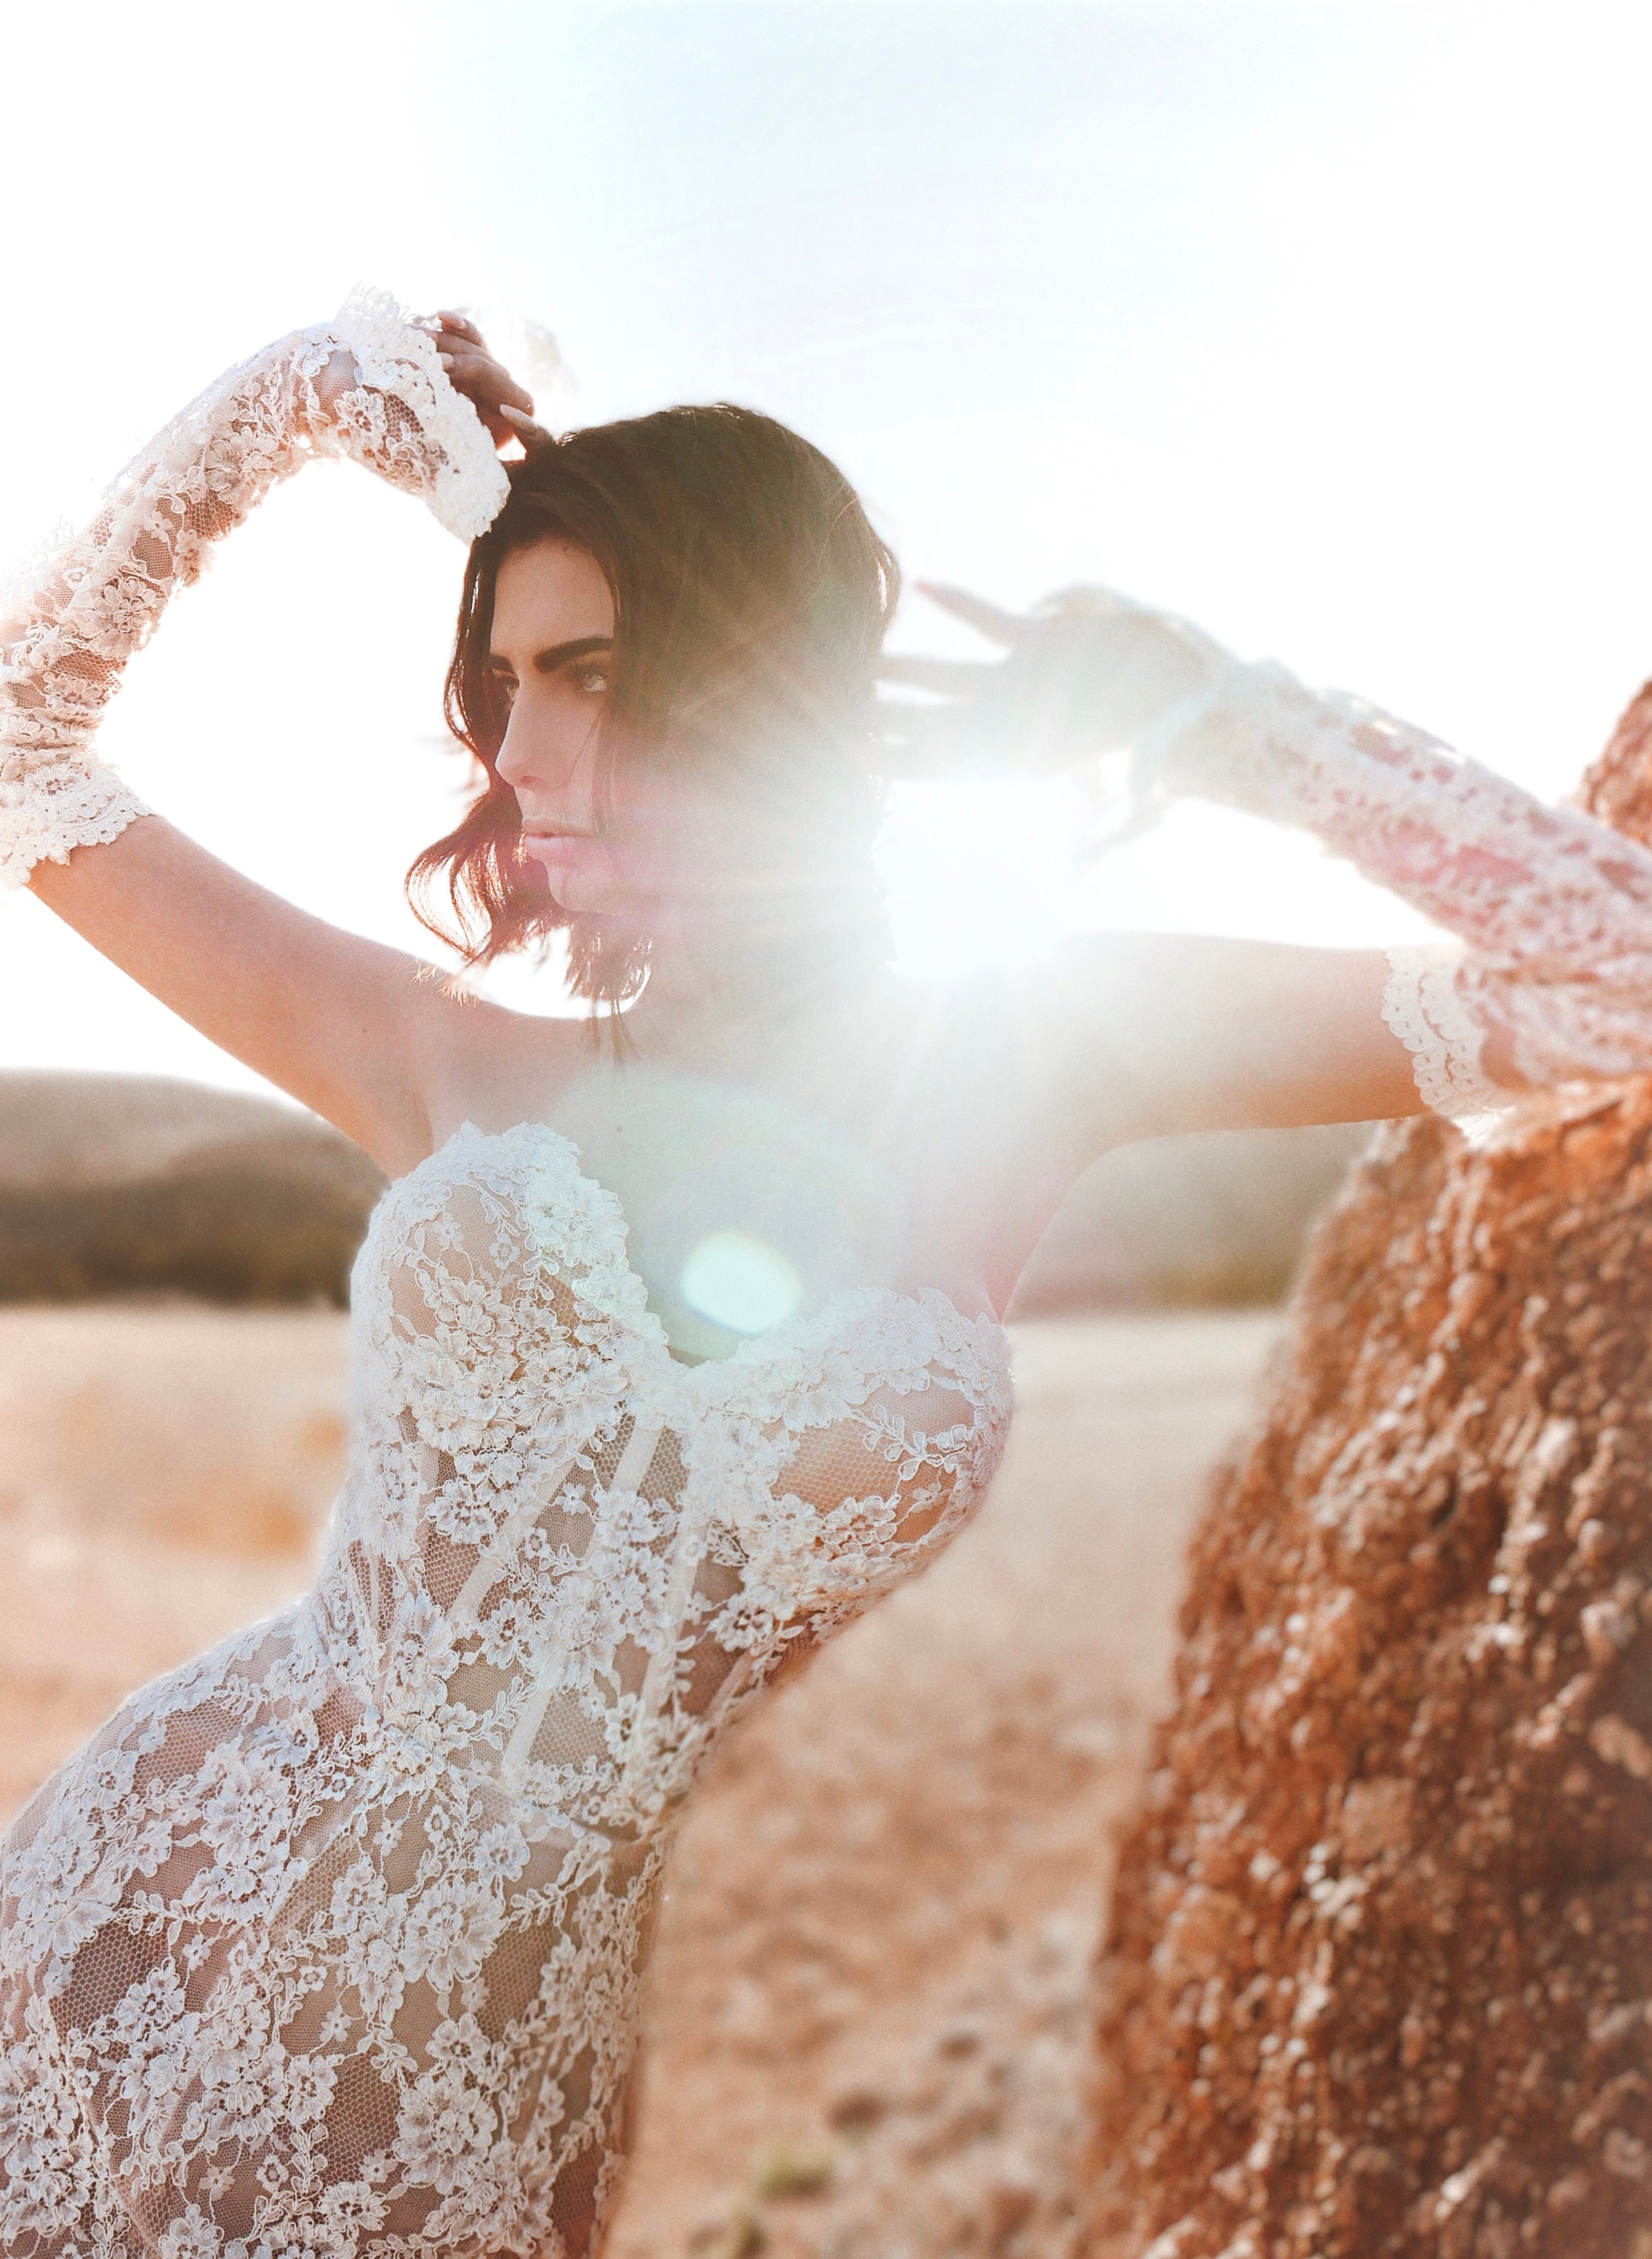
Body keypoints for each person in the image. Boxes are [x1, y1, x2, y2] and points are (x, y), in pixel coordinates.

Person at [3, 292, 1649, 2259]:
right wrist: (290, 400)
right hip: (152, 1885)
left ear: (757, 681)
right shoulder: (443, 1056)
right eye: (502, 682)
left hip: (477, 2073)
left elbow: (1617, 987)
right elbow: (22, 744)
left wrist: (1229, 724)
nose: (520, 752)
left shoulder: (1035, 1054)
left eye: (591, 671)